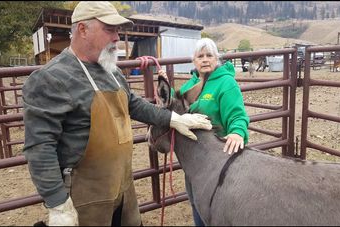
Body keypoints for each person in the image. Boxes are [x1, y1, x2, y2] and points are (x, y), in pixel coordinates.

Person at [22, 1, 212, 226]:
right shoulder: (51, 78)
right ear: (82, 30)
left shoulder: (111, 72)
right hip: (86, 199)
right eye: (109, 30)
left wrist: (174, 118)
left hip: (122, 189)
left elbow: (132, 104)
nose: (117, 38)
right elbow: (40, 147)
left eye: (117, 31)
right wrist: (58, 204)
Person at [159, 38, 249, 226]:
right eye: (201, 56)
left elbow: (237, 114)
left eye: (210, 55)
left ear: (217, 58)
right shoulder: (192, 83)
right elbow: (176, 105)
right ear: (194, 61)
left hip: (219, 158)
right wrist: (165, 85)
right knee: (196, 202)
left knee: (216, 207)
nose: (205, 59)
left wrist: (237, 132)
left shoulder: (226, 84)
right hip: (195, 159)